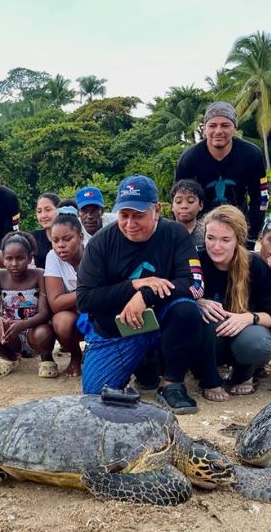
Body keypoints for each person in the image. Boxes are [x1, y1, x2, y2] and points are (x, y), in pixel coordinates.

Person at [76, 175, 211, 414]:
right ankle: (144, 364)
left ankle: (172, 383)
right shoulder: (100, 243)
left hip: (162, 321)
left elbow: (196, 285)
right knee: (95, 393)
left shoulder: (175, 234)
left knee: (186, 310)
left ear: (157, 210)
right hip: (117, 329)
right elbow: (85, 299)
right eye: (124, 215)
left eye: (138, 215)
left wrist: (146, 295)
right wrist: (134, 286)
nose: (130, 224)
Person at [197, 206, 271, 401]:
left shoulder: (256, 265)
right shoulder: (196, 260)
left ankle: (244, 374)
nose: (216, 246)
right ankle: (209, 379)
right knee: (205, 319)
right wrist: (198, 301)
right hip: (209, 338)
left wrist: (248, 318)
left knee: (257, 342)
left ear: (238, 240)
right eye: (211, 238)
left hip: (243, 335)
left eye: (225, 240)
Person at [175, 102, 269, 248]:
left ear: (234, 128)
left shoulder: (251, 155)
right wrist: (180, 237)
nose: (218, 131)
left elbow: (261, 198)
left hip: (238, 226)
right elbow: (178, 201)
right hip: (201, 229)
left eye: (225, 125)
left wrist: (250, 237)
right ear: (204, 129)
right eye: (212, 125)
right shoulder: (189, 159)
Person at [0, 232, 56, 379]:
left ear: (30, 258)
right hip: (10, 332)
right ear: (3, 259)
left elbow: (44, 313)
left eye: (20, 258)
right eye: (9, 259)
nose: (14, 264)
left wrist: (23, 324)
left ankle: (47, 358)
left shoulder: (39, 275)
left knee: (43, 332)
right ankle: (9, 357)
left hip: (34, 330)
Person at [44, 206, 85, 377]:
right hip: (74, 314)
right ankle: (76, 355)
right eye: (55, 240)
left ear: (81, 237)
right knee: (60, 321)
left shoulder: (94, 251)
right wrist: (86, 293)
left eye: (67, 239)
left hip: (98, 311)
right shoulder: (52, 257)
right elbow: (55, 303)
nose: (61, 245)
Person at [170, 179, 206, 252]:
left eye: (190, 201)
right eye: (178, 201)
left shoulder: (207, 234)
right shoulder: (163, 234)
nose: (184, 206)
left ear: (201, 205)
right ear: (172, 206)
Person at [31, 193, 59, 268]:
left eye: (48, 210)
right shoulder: (33, 238)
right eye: (39, 211)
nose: (43, 215)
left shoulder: (69, 236)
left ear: (59, 210)